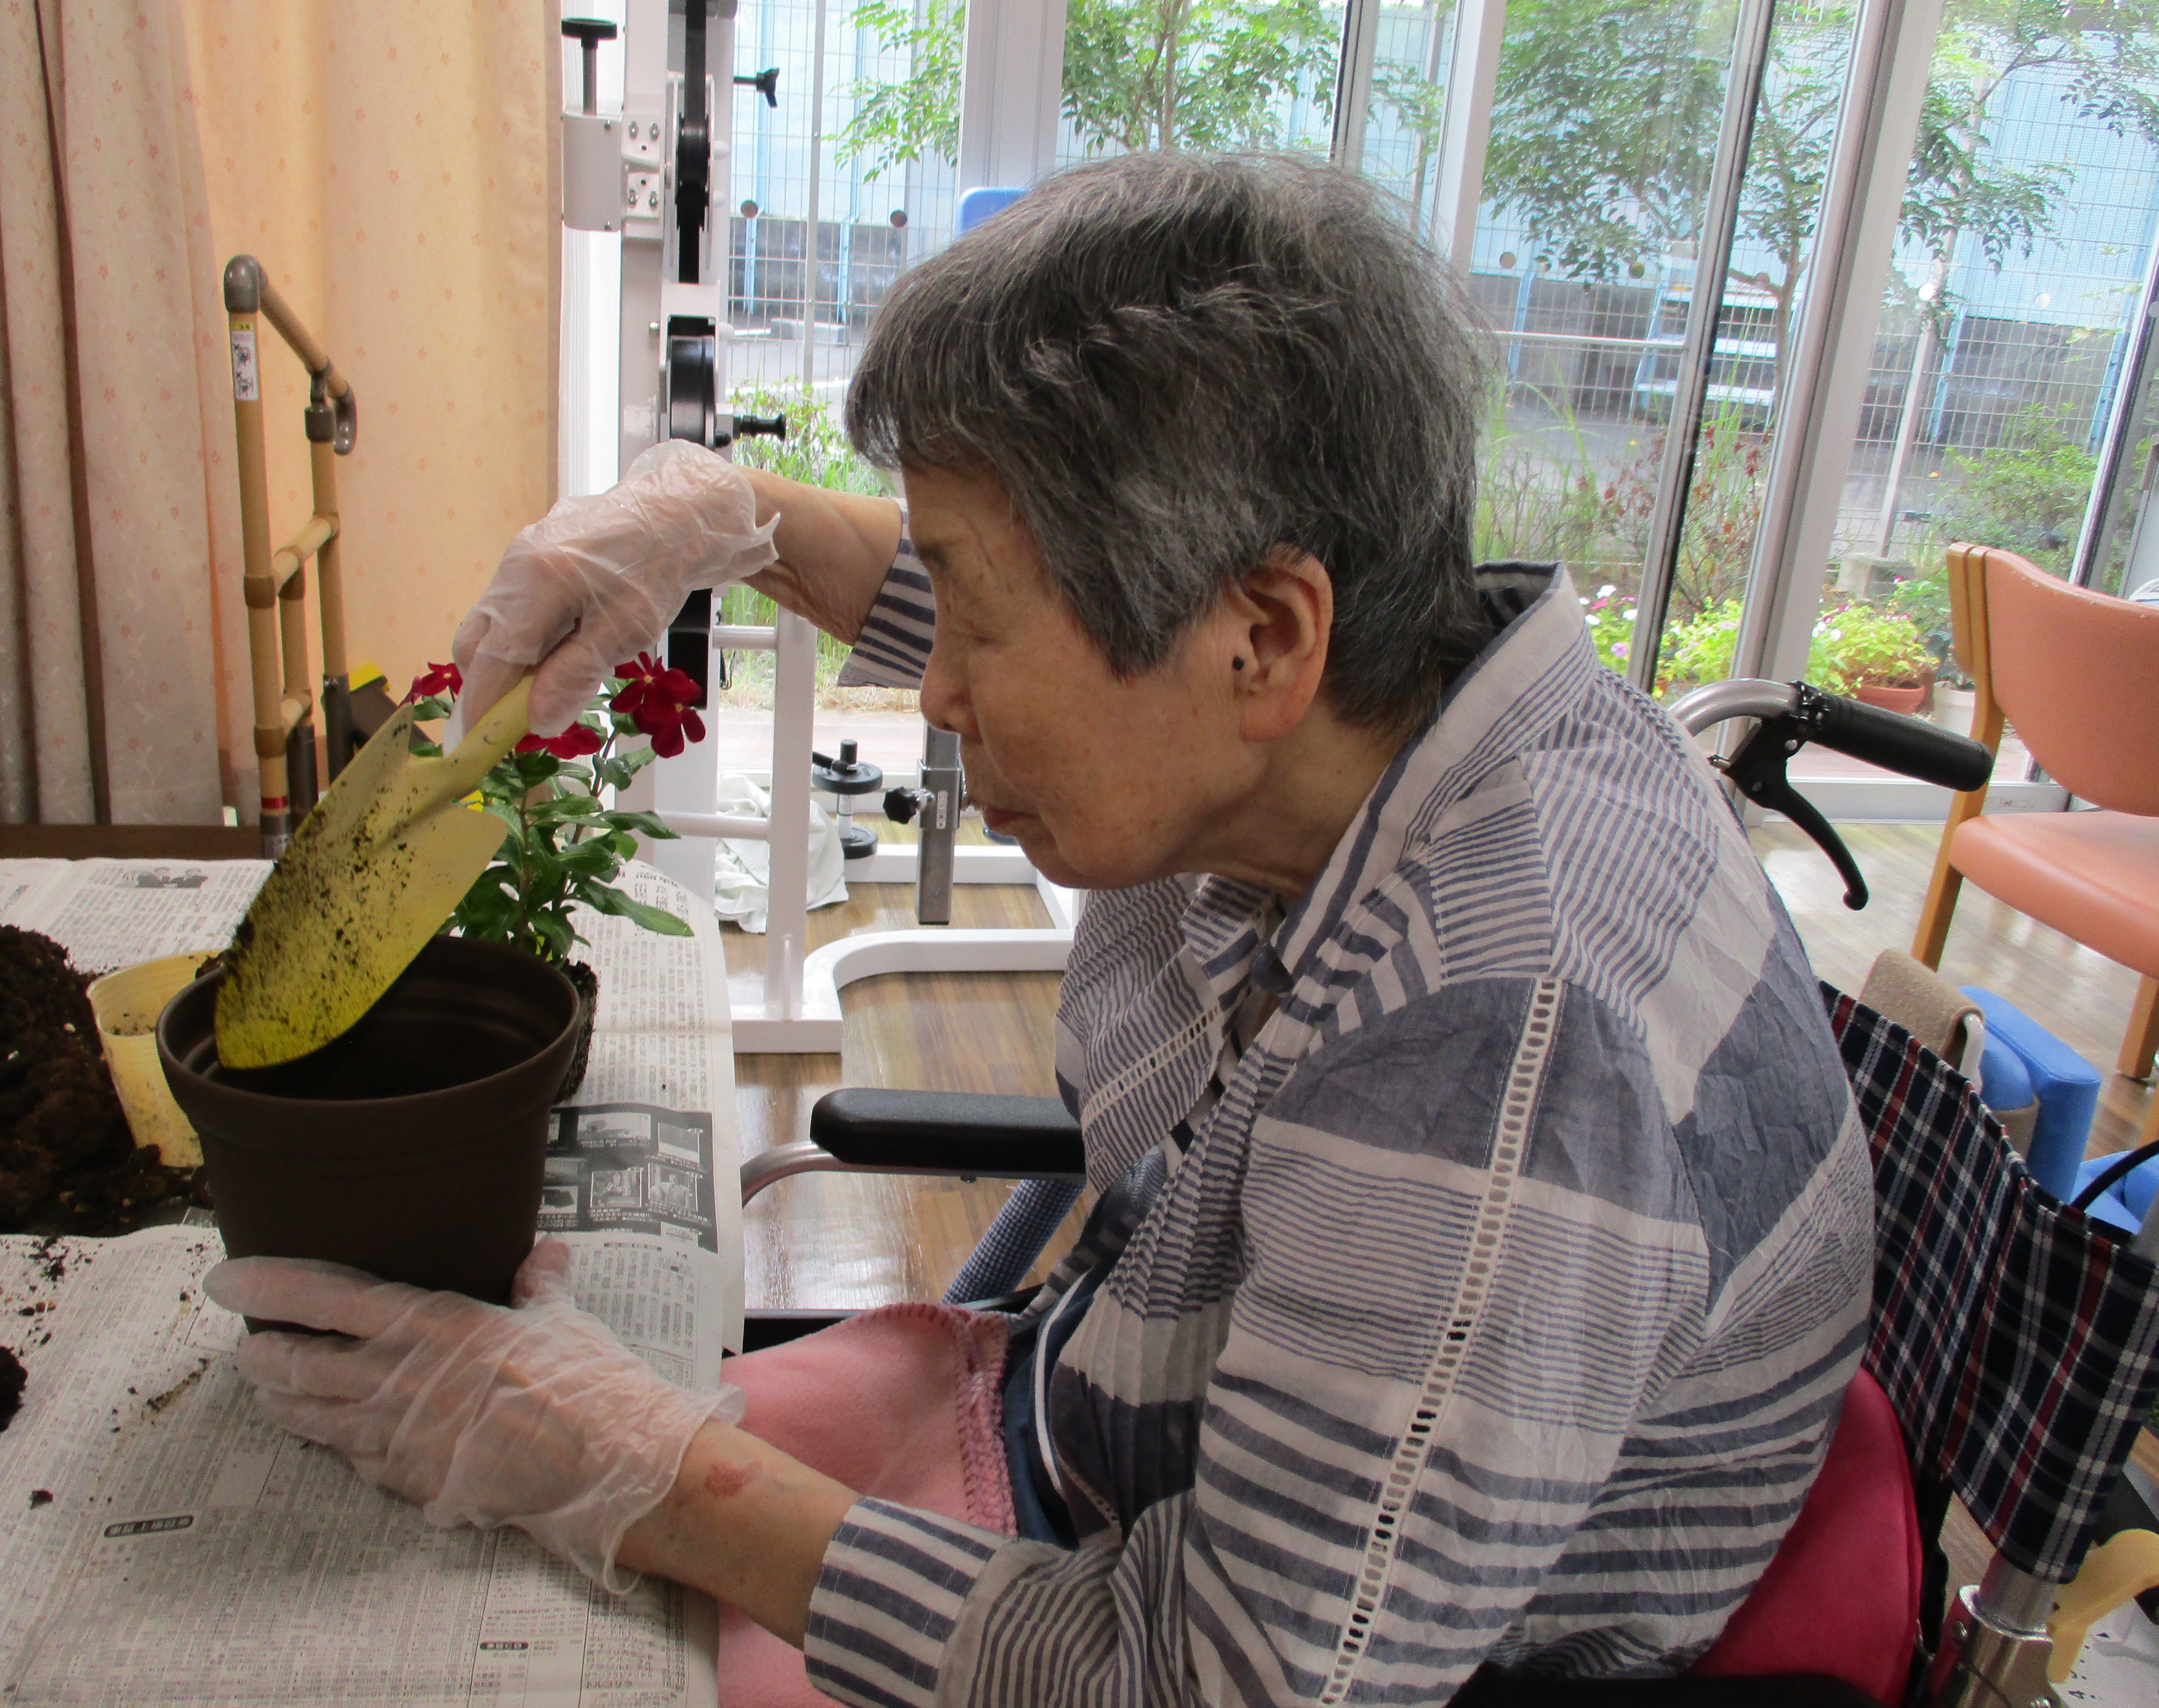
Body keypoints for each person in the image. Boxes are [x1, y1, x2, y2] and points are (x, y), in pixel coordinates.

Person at [207, 153, 1873, 1706]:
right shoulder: (1395, 693)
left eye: (974, 620)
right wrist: (732, 522)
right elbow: (1074, 615)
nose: (932, 692)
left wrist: (641, 1477)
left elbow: (1198, 1680)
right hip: (1116, 1419)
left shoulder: (1494, 1050)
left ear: (1264, 635)